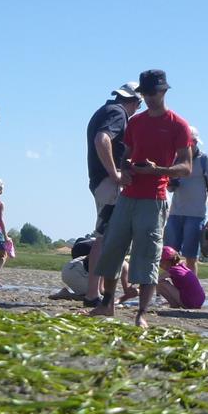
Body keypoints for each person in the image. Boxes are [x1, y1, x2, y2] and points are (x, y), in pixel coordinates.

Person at [90, 70, 192, 328]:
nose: (149, 98)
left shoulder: (178, 125)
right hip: (128, 195)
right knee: (112, 249)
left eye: (153, 93)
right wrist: (124, 170)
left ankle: (142, 314)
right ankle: (107, 304)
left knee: (148, 256)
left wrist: (158, 170)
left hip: (154, 198)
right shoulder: (135, 122)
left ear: (164, 91)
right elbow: (126, 155)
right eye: (145, 94)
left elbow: (186, 167)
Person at [84, 83, 142, 307]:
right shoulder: (118, 113)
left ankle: (95, 291)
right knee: (105, 238)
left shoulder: (104, 110)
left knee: (103, 237)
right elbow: (102, 139)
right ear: (135, 102)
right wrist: (115, 173)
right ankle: (92, 294)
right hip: (108, 183)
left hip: (100, 181)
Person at [164, 135, 208, 272]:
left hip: (196, 215)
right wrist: (170, 184)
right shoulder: (176, 159)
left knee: (191, 257)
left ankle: (191, 284)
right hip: (175, 213)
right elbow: (170, 188)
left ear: (194, 142)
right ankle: (171, 282)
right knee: (169, 255)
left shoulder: (205, 160)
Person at [156, 245, 206, 310]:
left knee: (159, 283)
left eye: (160, 261)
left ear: (167, 261)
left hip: (190, 303)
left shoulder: (174, 270)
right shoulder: (181, 267)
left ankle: (174, 304)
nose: (159, 265)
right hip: (198, 301)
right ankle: (176, 303)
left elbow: (156, 280)